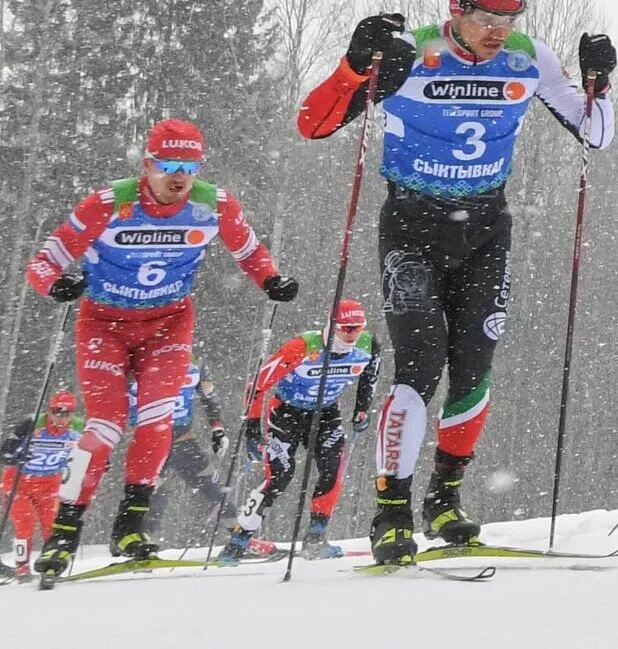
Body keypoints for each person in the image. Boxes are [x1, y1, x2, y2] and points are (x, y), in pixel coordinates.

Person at [296, 0, 615, 565]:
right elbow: (312, 125)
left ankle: (444, 499)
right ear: (456, 9)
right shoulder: (412, 53)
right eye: (485, 16)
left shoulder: (528, 58)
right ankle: (390, 510)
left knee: (473, 366)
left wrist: (600, 82)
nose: (497, 29)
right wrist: (353, 65)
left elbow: (595, 133)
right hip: (412, 227)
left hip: (485, 231)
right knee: (420, 364)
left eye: (508, 17)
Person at [21, 119, 297, 576]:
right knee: (105, 425)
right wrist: (56, 285)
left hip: (168, 324)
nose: (179, 175)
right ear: (147, 165)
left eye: (190, 165)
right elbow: (43, 262)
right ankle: (65, 532)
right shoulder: (110, 203)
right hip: (104, 324)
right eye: (168, 164)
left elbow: (249, 250)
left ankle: (130, 523)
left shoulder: (213, 204)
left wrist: (271, 279)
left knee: (156, 422)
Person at [218, 299, 382, 562]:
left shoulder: (368, 345)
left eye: (357, 328)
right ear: (332, 326)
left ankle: (316, 537)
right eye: (346, 328)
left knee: (332, 468)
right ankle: (239, 540)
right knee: (280, 476)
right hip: (287, 413)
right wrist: (252, 427)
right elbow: (256, 385)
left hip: (326, 413)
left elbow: (370, 377)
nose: (352, 335)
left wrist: (362, 409)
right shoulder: (302, 347)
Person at [3, 392, 83, 577]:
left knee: (53, 526)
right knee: (25, 523)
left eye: (67, 413)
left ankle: (51, 562)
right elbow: (5, 452)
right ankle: (21, 568)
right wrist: (16, 456)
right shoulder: (32, 424)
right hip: (19, 481)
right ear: (49, 410)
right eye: (56, 412)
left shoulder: (78, 427)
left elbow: (94, 451)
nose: (61, 418)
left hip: (50, 484)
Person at [145, 360, 228, 533]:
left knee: (214, 489)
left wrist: (217, 429)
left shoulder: (196, 365)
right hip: (154, 443)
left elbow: (209, 397)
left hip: (183, 442)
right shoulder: (147, 359)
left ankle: (239, 537)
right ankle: (140, 541)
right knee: (151, 493)